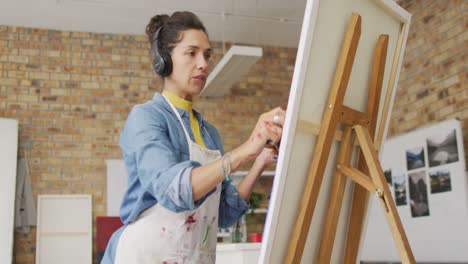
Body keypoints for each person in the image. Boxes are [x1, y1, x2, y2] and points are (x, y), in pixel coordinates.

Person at [101, 11, 285, 264]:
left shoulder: (209, 133)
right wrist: (244, 151)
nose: (203, 64)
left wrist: (261, 161)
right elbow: (175, 190)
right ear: (163, 60)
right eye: (191, 53)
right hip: (145, 256)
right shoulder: (146, 118)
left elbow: (224, 212)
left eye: (207, 55)